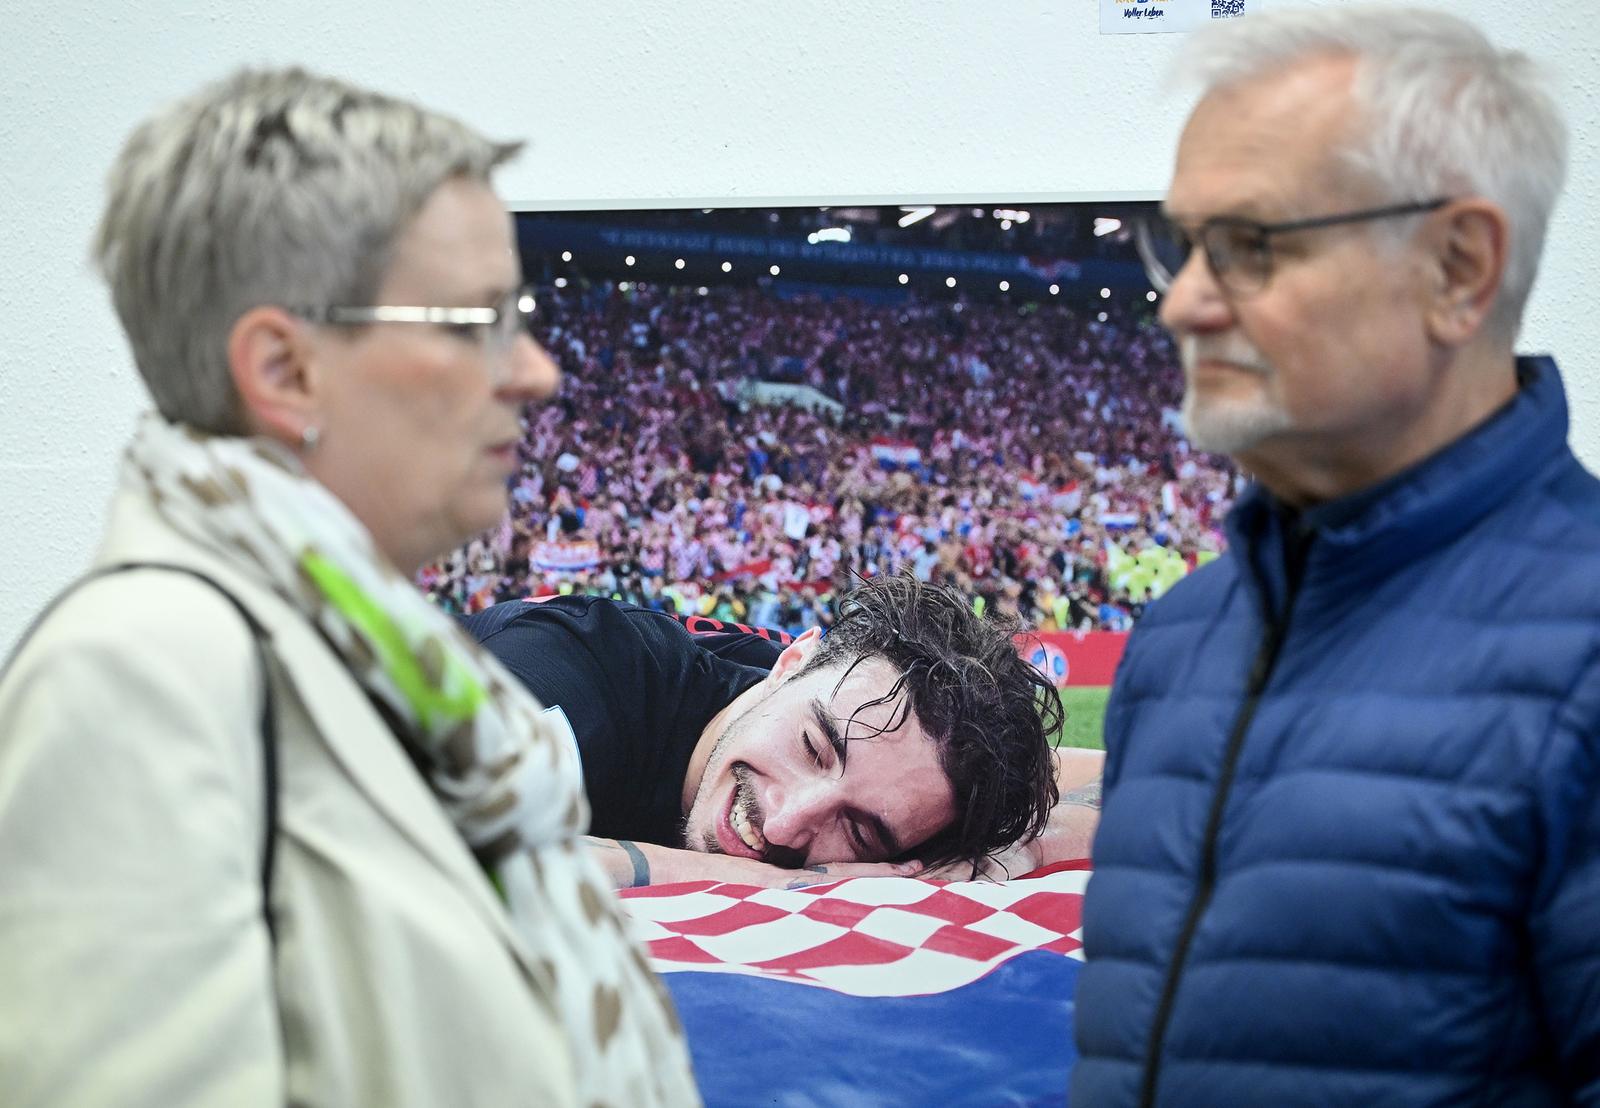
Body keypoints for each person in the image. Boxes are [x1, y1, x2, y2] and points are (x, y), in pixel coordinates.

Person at [0, 68, 696, 1107]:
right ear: (284, 371)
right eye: (475, 322)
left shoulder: (369, 649)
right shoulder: (142, 678)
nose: (536, 372)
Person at [1074, 7, 1599, 1105]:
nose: (1181, 303)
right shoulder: (1177, 640)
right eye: (1178, 243)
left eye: (1251, 246)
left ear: (1459, 268)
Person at [465, 573, 1102, 888]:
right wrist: (797, 884)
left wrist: (1007, 855)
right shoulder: (574, 674)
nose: (784, 824)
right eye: (812, 748)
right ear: (788, 665)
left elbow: (1127, 779)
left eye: (858, 830)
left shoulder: (901, 753)